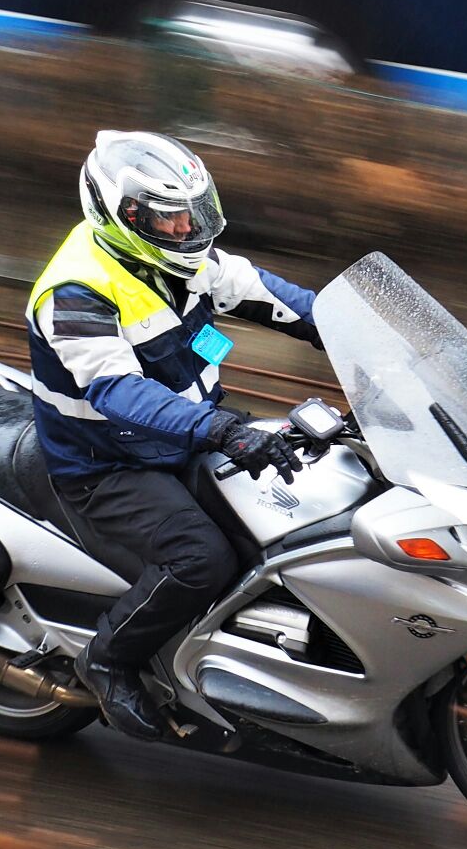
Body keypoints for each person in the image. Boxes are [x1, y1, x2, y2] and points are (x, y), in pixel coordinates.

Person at [26, 130, 320, 738]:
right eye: (170, 218)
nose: (188, 230)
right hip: (105, 464)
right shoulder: (75, 292)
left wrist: (380, 342)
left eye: (193, 214)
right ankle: (108, 662)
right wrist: (222, 430)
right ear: (122, 215)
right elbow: (119, 393)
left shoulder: (181, 259)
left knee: (288, 526)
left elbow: (283, 300)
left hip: (182, 439)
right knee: (201, 559)